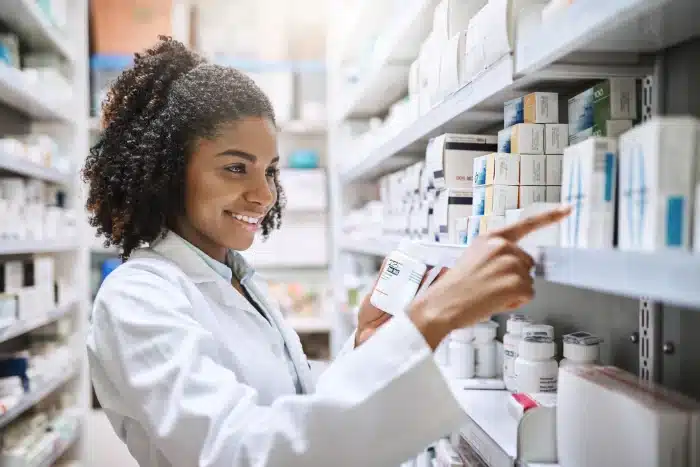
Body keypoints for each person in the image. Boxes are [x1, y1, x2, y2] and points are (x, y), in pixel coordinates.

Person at [84, 36, 569, 467]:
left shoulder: (235, 276)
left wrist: (366, 351)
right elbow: (244, 452)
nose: (265, 194)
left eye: (271, 171)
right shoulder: (137, 297)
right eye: (236, 168)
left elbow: (293, 409)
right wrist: (434, 315)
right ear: (168, 172)